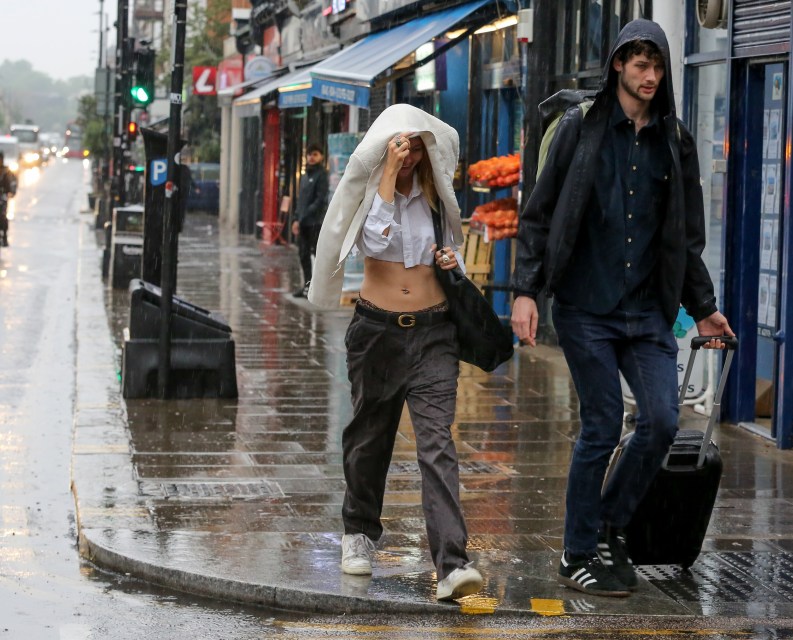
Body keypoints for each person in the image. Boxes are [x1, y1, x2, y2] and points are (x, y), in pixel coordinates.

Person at [510, 19, 735, 597]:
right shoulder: (580, 131)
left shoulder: (675, 141)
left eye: (657, 66)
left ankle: (608, 526)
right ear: (618, 65)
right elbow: (538, 214)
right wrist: (526, 291)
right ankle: (578, 551)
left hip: (646, 312)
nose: (651, 77)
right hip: (586, 306)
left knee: (661, 421)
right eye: (641, 65)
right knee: (603, 424)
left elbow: (685, 238)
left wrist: (703, 308)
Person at [306, 104, 482, 602]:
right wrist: (385, 173)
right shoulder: (370, 194)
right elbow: (375, 240)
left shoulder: (435, 197)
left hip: (434, 334)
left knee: (437, 447)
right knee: (370, 440)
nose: (407, 158)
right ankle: (359, 532)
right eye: (399, 148)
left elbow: (452, 252)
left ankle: (452, 562)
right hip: (377, 332)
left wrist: (449, 259)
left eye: (414, 148)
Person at [291, 144, 329, 297]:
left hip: (315, 223)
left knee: (316, 255)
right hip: (303, 222)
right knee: (303, 255)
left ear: (321, 156)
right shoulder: (305, 176)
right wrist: (296, 218)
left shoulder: (321, 175)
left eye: (315, 154)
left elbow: (319, 200)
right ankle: (307, 286)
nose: (311, 157)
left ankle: (318, 288)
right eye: (309, 154)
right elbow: (301, 200)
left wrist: (304, 216)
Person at [0, 152, 18, 247]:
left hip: (2, 197)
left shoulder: (6, 171)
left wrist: (11, 192)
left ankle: (4, 237)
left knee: (3, 217)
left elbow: (12, 182)